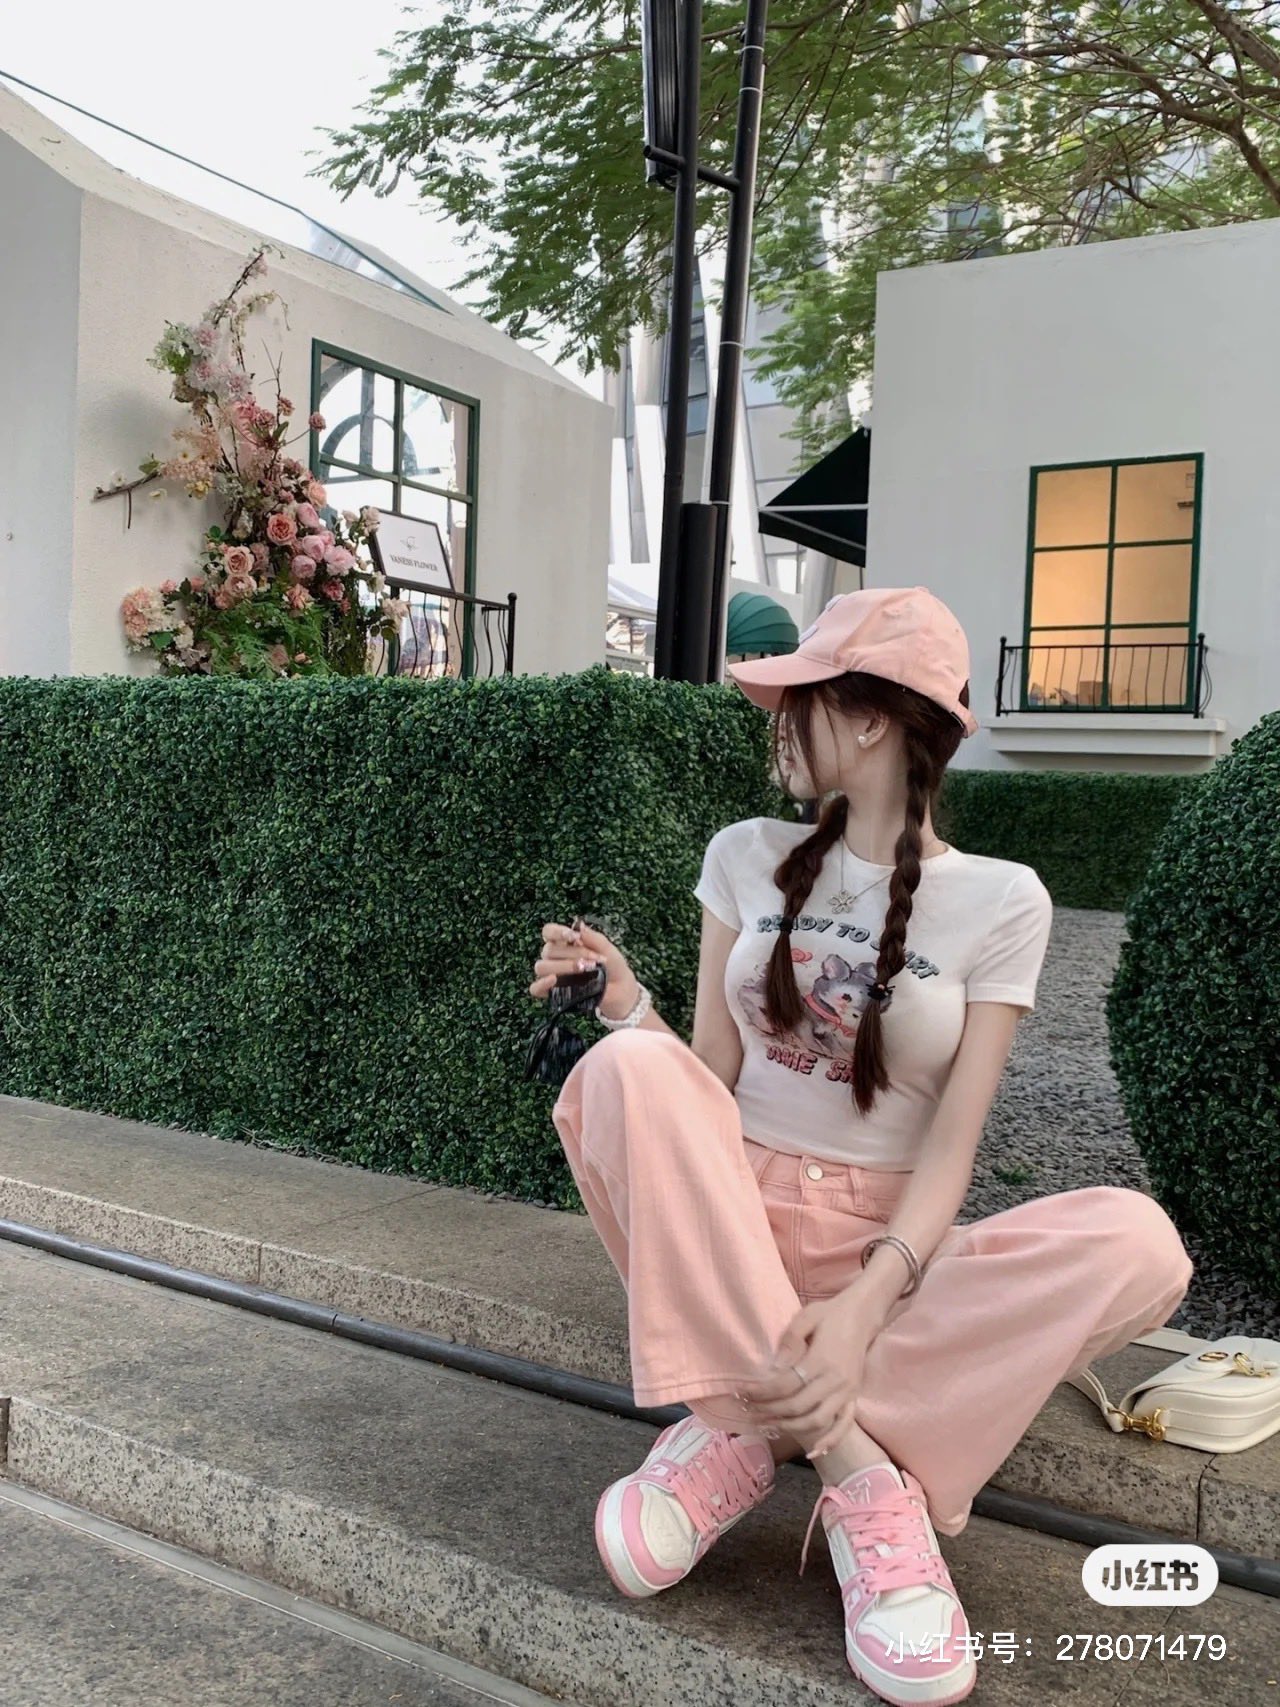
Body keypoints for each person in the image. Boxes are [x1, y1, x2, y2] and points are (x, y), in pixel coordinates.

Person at [529, 586, 1193, 1707]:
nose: (774, 724)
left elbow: (949, 1151)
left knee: (1139, 1242)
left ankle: (740, 1429)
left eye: (798, 699)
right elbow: (705, 1082)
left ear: (873, 716)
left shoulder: (1002, 902)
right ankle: (859, 1477)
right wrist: (625, 1008)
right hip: (729, 1222)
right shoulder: (743, 855)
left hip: (882, 1249)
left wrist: (864, 1304)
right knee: (625, 1071)